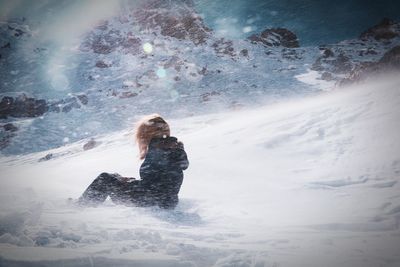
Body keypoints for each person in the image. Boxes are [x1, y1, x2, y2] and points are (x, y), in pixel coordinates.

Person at [78, 114, 189, 209]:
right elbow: (159, 179)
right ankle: (85, 204)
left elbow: (155, 184)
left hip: (150, 200)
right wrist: (131, 182)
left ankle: (82, 206)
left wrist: (130, 183)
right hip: (166, 202)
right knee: (115, 177)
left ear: (147, 134)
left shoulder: (159, 147)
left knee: (105, 178)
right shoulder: (172, 147)